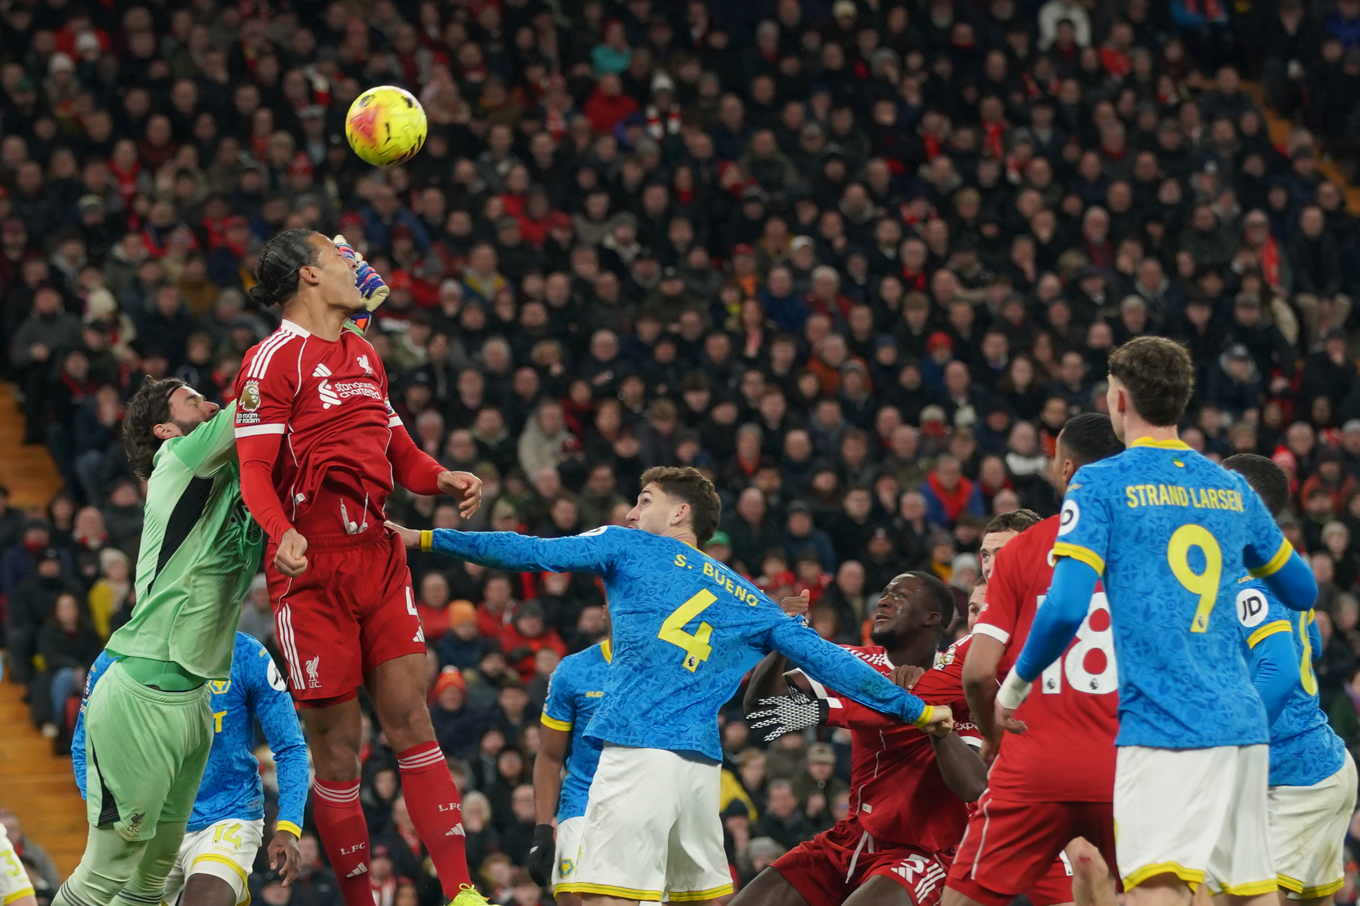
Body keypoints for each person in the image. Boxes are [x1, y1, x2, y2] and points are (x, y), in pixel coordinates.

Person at [389, 465, 951, 905]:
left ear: (680, 512)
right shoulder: (748, 595)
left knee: (606, 898)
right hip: (700, 769)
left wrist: (425, 541)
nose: (633, 514)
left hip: (637, 752)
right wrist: (919, 712)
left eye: (645, 502)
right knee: (700, 900)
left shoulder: (629, 546)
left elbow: (530, 551)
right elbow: (833, 663)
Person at [998, 337, 1318, 904]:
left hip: (1164, 725)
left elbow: (1067, 607)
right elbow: (1301, 587)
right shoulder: (1230, 486)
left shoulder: (1101, 482)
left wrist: (1016, 683)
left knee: (1157, 887)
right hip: (1243, 727)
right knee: (1249, 892)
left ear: (1119, 400)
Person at [232, 229, 485, 906]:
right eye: (340, 257)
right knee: (338, 751)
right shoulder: (270, 362)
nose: (356, 266)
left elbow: (401, 453)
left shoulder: (365, 353)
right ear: (310, 277)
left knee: (412, 721)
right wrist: (280, 533)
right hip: (309, 573)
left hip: (377, 556)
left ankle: (462, 891)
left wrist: (444, 478)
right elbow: (253, 469)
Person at [53, 374, 264, 906]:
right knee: (105, 874)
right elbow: (263, 394)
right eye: (192, 399)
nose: (208, 401)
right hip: (144, 689)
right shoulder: (179, 459)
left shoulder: (233, 473)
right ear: (167, 429)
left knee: (150, 885)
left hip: (195, 700)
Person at [946, 413, 1127, 906]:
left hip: (1032, 767)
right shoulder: (1155, 549)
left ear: (1067, 469)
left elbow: (978, 674)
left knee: (962, 897)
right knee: (1171, 894)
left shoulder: (1024, 551)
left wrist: (992, 733)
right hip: (1128, 766)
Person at [733, 571, 984, 906]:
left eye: (900, 595)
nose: (883, 600)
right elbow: (761, 706)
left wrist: (932, 722)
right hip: (851, 837)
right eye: (884, 593)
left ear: (932, 616)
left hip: (923, 851)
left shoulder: (956, 683)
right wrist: (781, 636)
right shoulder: (855, 662)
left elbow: (973, 786)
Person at [73, 633, 308, 906]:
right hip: (146, 822)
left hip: (227, 813)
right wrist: (111, 817)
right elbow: (84, 746)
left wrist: (288, 826)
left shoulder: (246, 654)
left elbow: (290, 746)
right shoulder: (119, 655)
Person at [1222, 453, 1356, 906]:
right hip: (1317, 768)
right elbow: (1312, 645)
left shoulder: (1247, 580)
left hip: (1295, 777)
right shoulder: (1283, 568)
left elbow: (1279, 670)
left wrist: (1232, 740)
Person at [526, 632, 612, 906]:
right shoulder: (574, 670)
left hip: (643, 802)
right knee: (572, 898)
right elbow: (550, 756)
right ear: (604, 612)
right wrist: (542, 830)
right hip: (582, 799)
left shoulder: (662, 665)